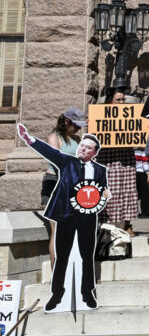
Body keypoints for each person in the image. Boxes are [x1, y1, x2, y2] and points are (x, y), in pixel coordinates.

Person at [17, 124, 107, 312]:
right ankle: (57, 293)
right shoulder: (68, 162)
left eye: (88, 147)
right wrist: (29, 139)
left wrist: (106, 195)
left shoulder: (100, 170)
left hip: (88, 218)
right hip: (67, 215)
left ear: (94, 153)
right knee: (63, 255)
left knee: (86, 256)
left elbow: (101, 191)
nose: (82, 148)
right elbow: (50, 152)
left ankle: (87, 292)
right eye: (82, 145)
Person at [41, 109, 84, 264]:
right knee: (57, 229)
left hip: (74, 184)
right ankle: (56, 271)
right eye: (76, 125)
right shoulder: (54, 138)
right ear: (67, 122)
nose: (79, 128)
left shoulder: (77, 139)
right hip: (55, 181)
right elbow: (56, 160)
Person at [98, 86, 139, 236]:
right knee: (109, 191)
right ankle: (106, 224)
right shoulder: (100, 115)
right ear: (109, 101)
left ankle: (128, 224)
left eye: (123, 100)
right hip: (108, 158)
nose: (122, 103)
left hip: (126, 157)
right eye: (118, 100)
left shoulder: (130, 115)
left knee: (128, 190)